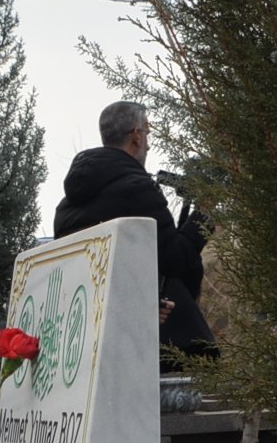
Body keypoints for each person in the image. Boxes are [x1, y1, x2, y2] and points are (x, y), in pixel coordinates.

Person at [54, 100, 215, 355]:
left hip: (82, 334)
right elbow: (175, 260)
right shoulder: (137, 190)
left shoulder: (66, 206)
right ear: (137, 136)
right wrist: (205, 212)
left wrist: (144, 304)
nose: (149, 144)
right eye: (148, 133)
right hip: (143, 347)